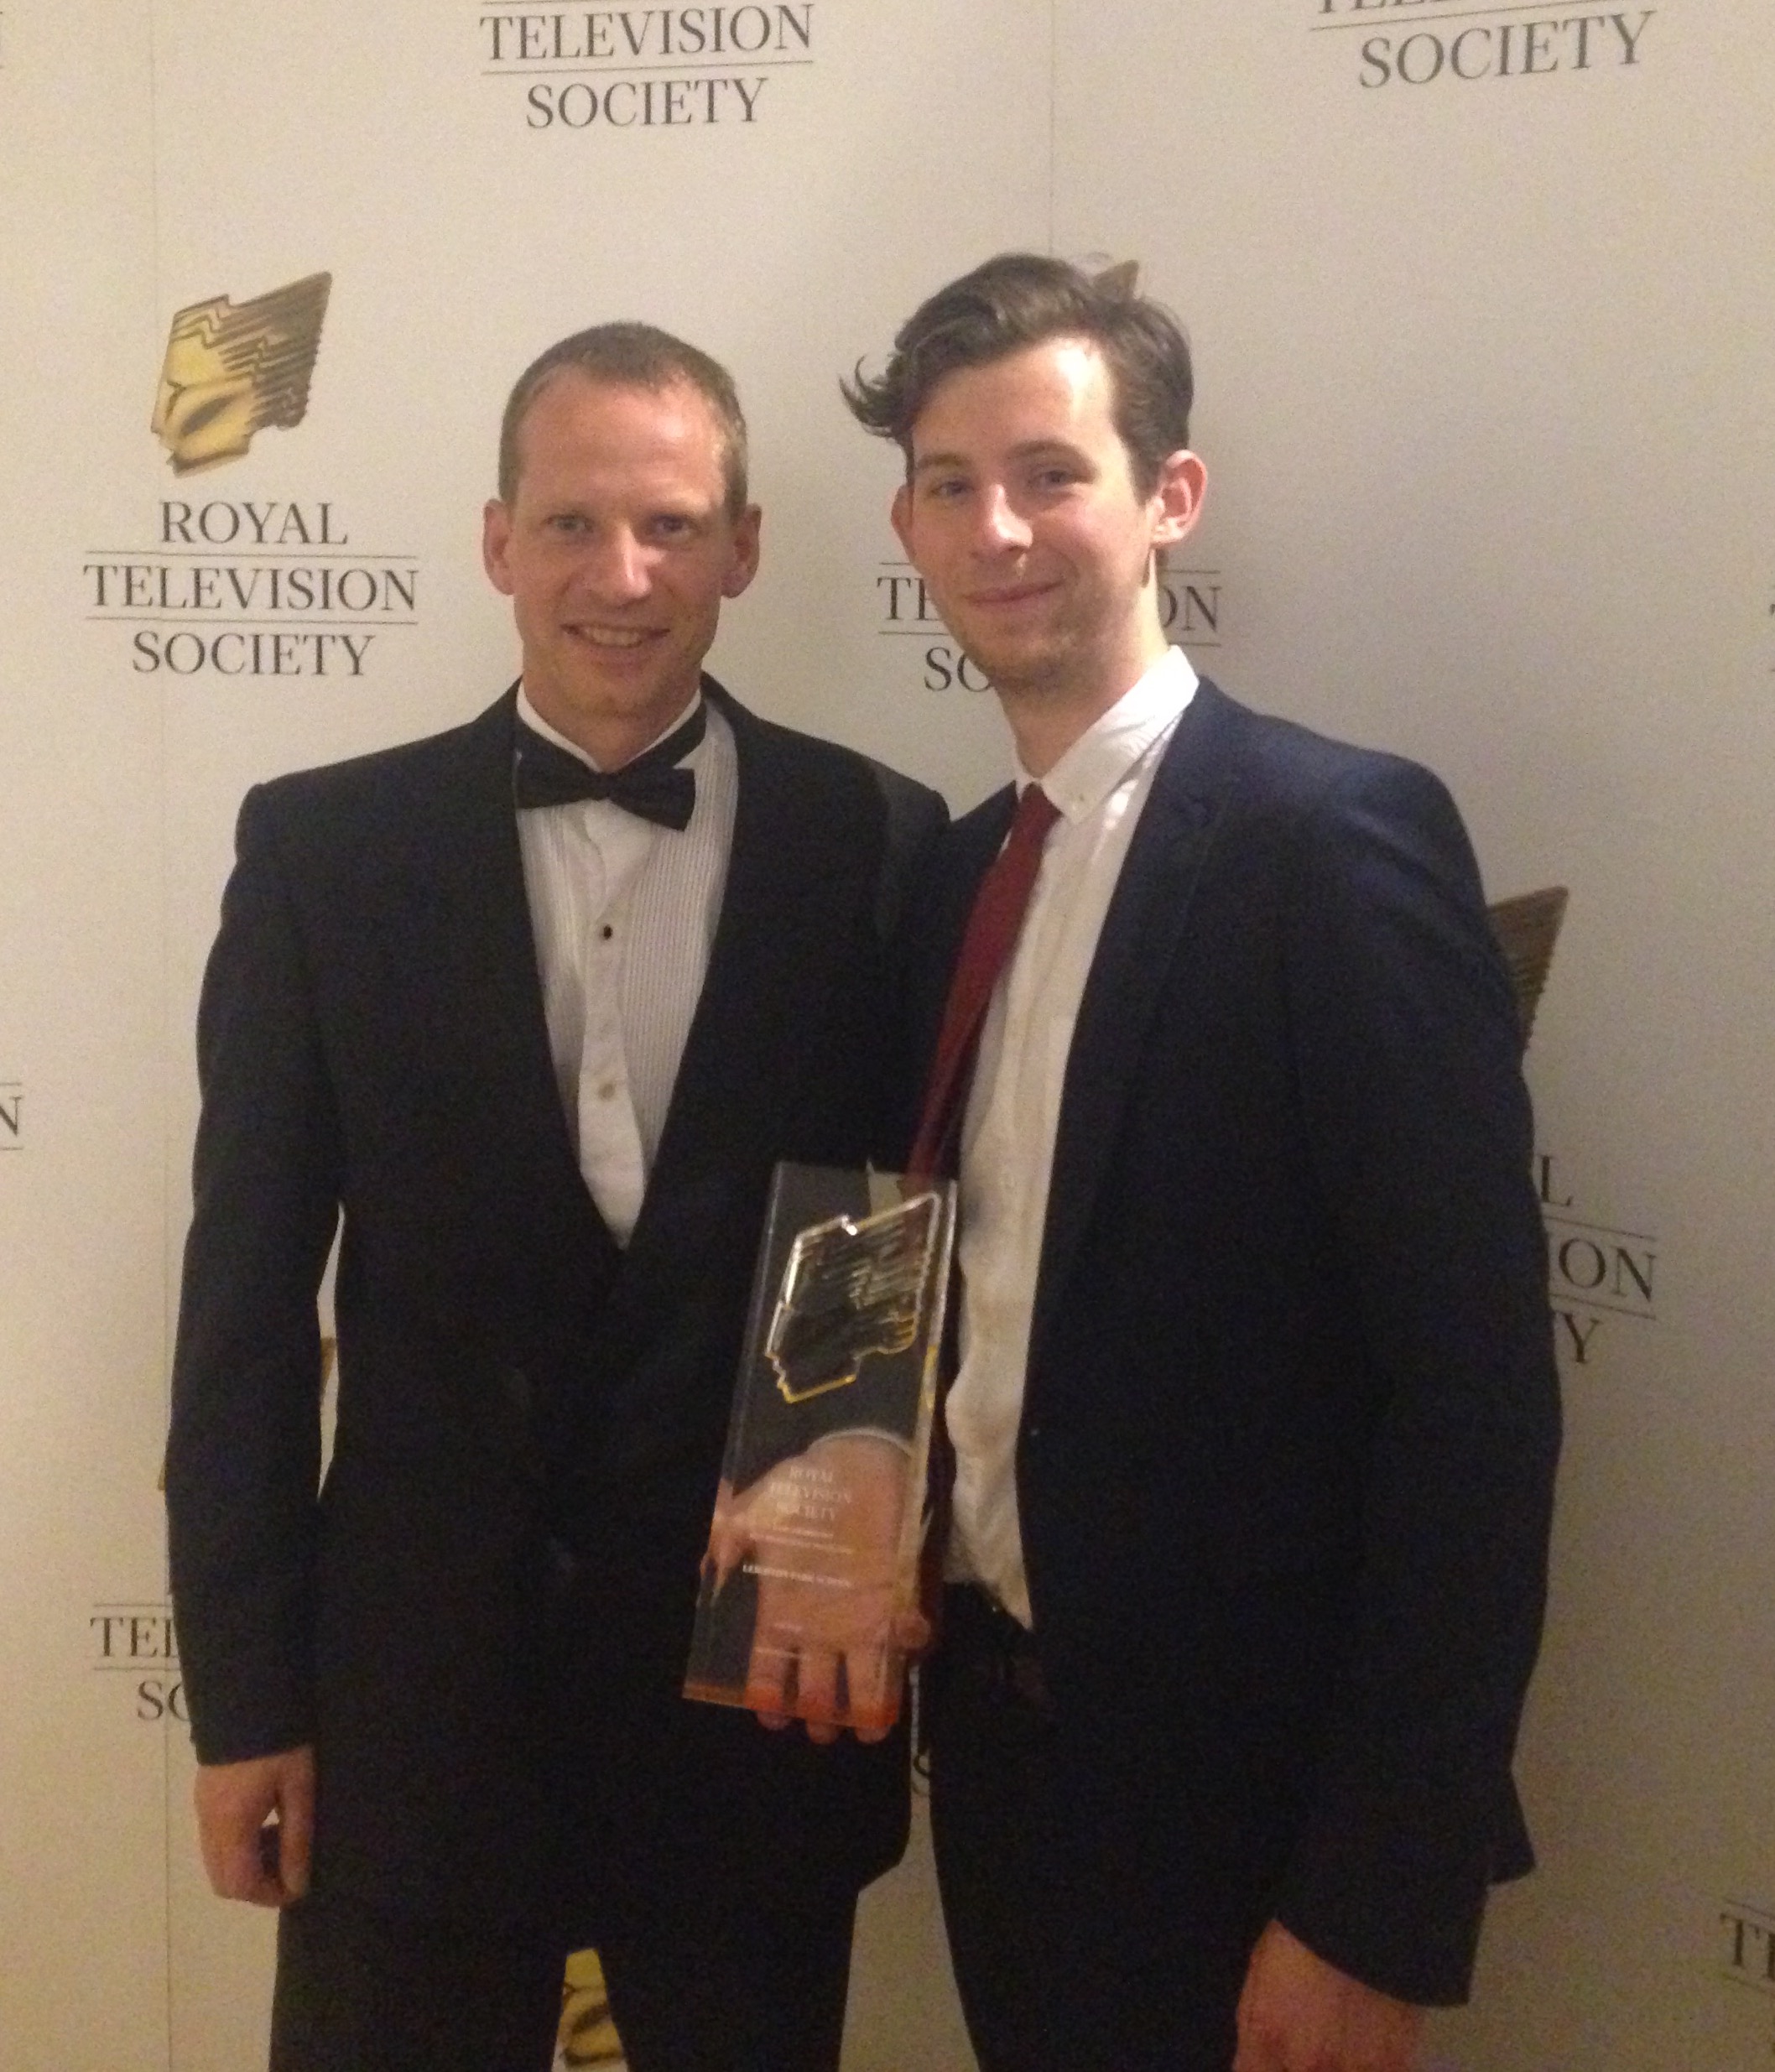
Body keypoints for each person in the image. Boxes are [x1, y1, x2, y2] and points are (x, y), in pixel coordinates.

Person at [164, 320, 945, 2072]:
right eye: (575, 522)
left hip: (754, 1701)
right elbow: (244, 1314)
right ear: (496, 539)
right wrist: (246, 1700)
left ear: (744, 548)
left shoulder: (881, 840)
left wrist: (860, 1502)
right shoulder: (322, 852)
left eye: (672, 525)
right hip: (410, 1714)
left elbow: (894, 1233)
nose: (622, 573)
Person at [835, 253, 1562, 2072]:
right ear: (906, 526)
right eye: (949, 484)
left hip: (1254, 1821)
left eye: (1049, 473)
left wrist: (1371, 1900)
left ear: (1169, 496)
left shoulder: (1334, 843)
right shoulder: (948, 876)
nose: (998, 529)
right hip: (1002, 1768)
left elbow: (1472, 1403)